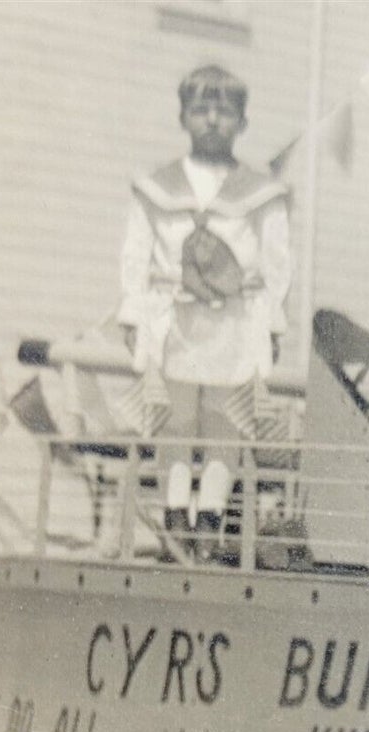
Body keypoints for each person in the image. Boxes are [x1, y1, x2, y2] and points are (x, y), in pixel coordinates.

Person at [118, 64, 292, 557]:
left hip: (234, 320)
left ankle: (210, 517)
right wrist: (132, 314)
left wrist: (273, 322)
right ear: (183, 116)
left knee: (225, 420)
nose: (213, 120)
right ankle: (176, 514)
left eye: (225, 111)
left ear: (242, 121)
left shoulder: (262, 193)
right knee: (174, 416)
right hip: (172, 317)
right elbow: (136, 253)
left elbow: (277, 262)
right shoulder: (155, 187)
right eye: (201, 110)